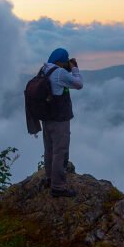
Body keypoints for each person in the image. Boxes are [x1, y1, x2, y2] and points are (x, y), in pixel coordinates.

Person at [40, 47, 82, 198]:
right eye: (65, 60)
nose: (66, 63)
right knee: (60, 152)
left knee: (49, 149)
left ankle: (50, 179)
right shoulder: (60, 73)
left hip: (46, 118)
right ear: (60, 61)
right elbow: (78, 84)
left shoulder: (44, 69)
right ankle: (58, 187)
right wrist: (75, 68)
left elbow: (56, 84)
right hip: (59, 120)